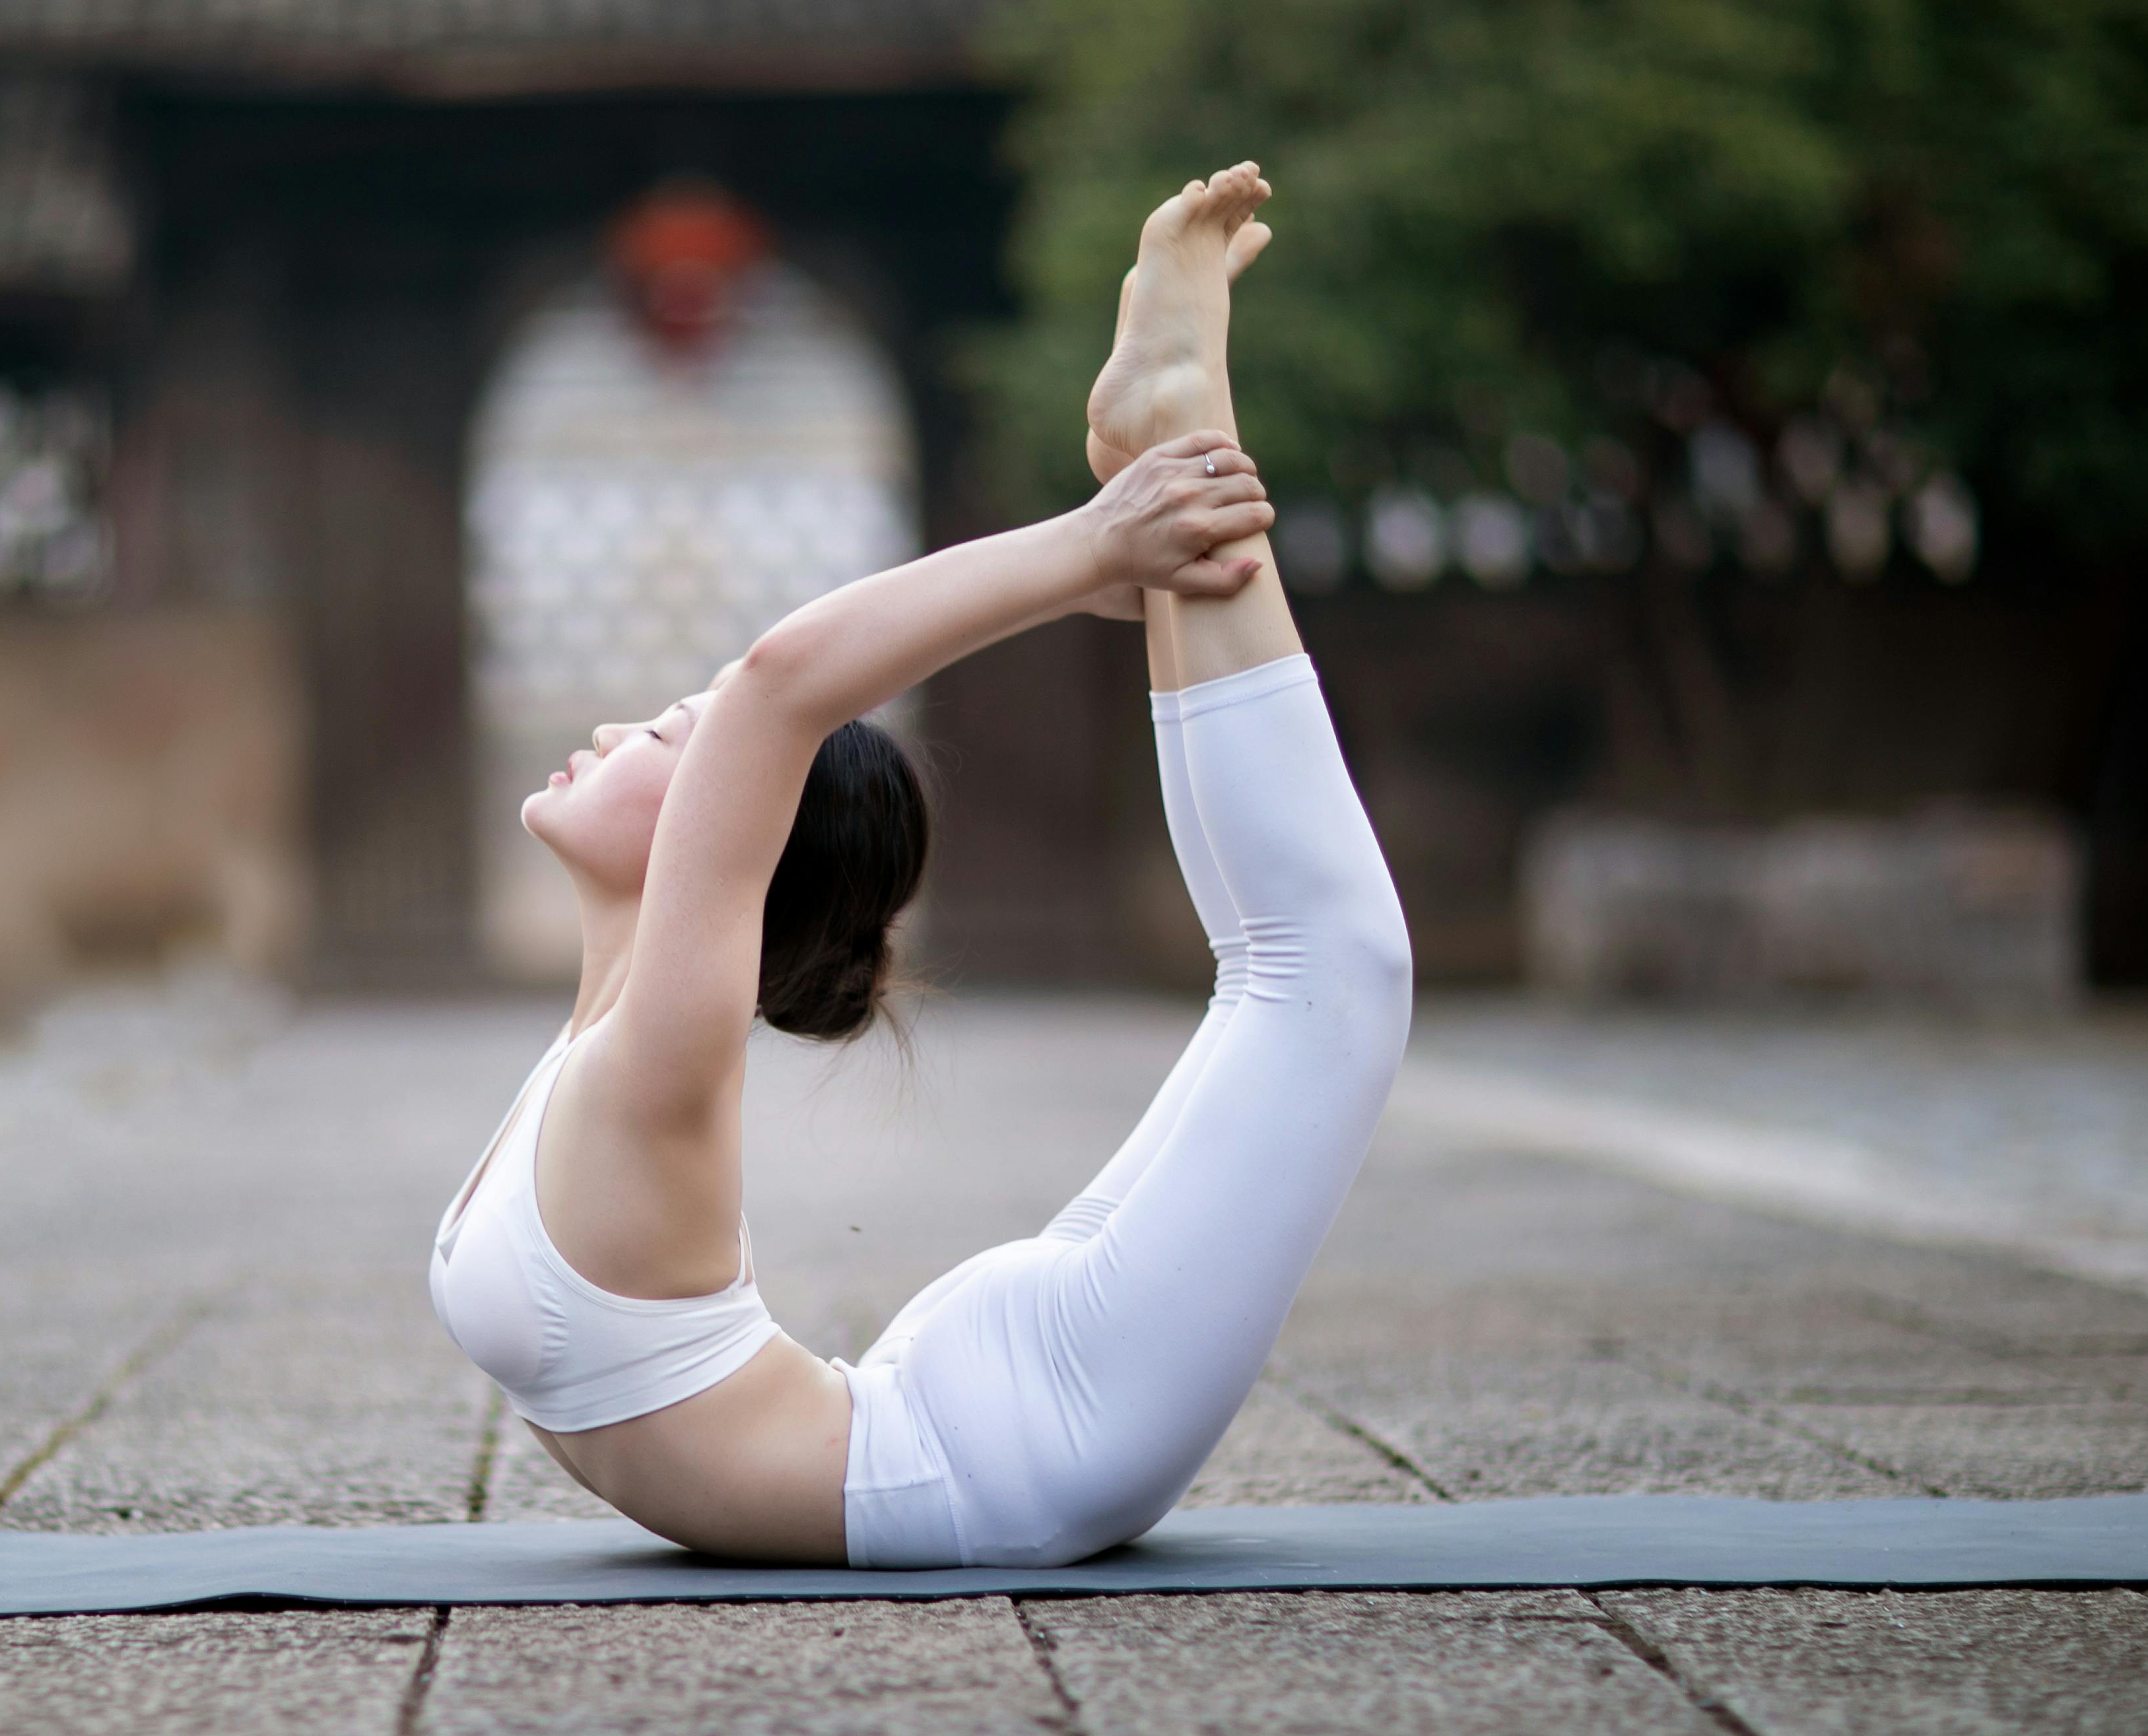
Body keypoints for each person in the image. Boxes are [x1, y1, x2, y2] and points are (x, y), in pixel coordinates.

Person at [430, 164, 1413, 1568]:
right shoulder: (615, 1037)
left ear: (733, 834)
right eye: (663, 728)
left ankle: (1185, 442)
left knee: (1323, 975)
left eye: (662, 737)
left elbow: (778, 687)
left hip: (982, 1442)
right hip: (1008, 1434)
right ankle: (1175, 457)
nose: (606, 732)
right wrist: (1092, 555)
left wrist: (1094, 554)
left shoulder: (662, 1052)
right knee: (1306, 978)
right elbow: (772, 698)